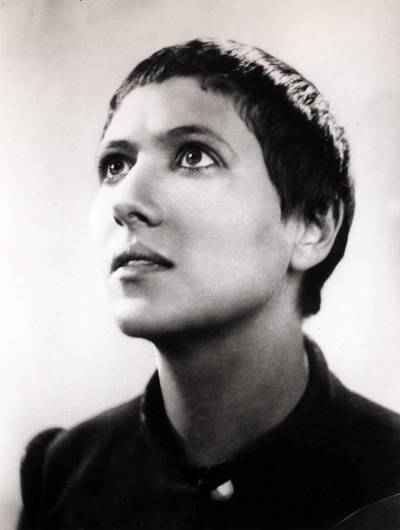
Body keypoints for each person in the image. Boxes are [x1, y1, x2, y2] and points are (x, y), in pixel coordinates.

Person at [18, 38, 400, 530]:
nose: (125, 199)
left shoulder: (388, 482)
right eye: (115, 165)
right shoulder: (65, 471)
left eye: (194, 156)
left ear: (312, 225)